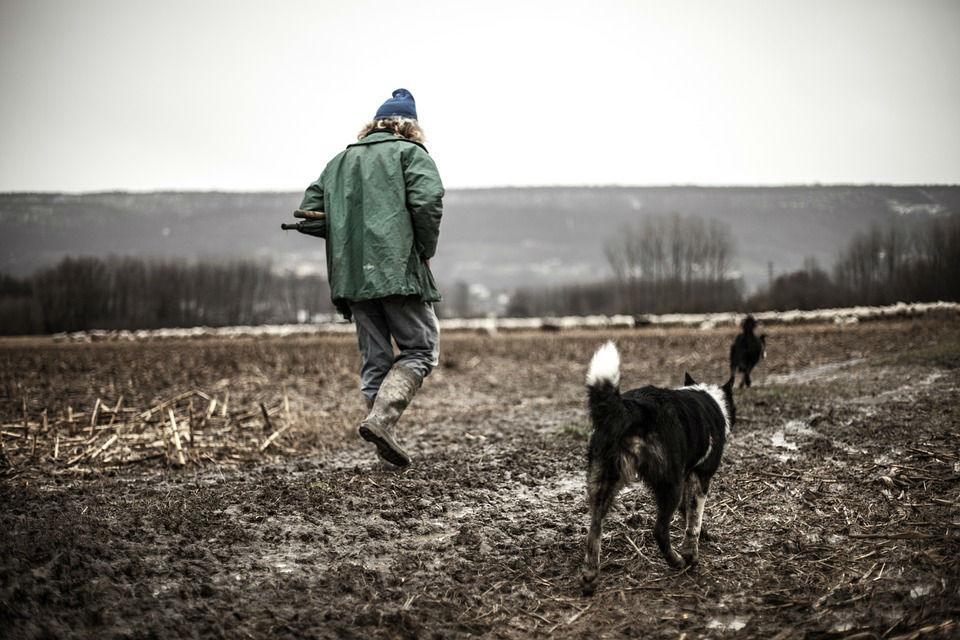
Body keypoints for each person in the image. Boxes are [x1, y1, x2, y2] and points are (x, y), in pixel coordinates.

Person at [297, 88, 444, 467]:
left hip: (351, 278)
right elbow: (428, 203)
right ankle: (381, 420)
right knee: (420, 349)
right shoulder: (411, 154)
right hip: (397, 271)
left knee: (376, 358)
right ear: (409, 127)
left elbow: (309, 214)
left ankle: (383, 447)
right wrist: (425, 250)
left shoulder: (339, 162)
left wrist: (347, 229)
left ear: (373, 125)